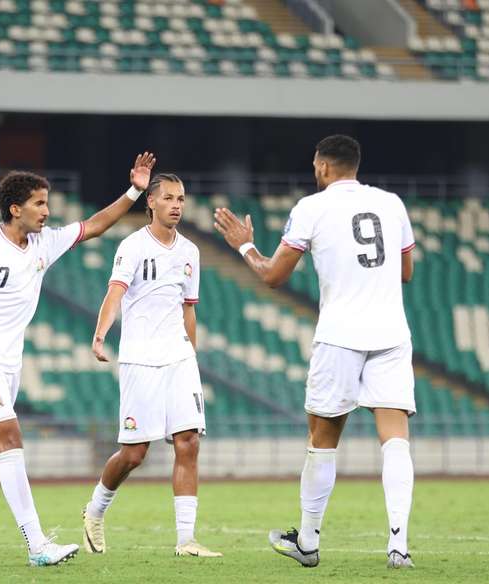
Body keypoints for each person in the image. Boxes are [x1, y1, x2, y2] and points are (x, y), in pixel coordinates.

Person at [0, 153, 157, 567]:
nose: (47, 212)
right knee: (11, 439)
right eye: (39, 203)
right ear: (15, 208)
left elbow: (97, 224)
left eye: (47, 203)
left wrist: (135, 190)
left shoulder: (45, 243)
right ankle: (37, 544)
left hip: (9, 366)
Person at [213, 135, 417, 569]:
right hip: (392, 333)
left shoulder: (312, 208)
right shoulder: (392, 203)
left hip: (340, 334)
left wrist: (244, 246)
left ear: (323, 166)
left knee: (323, 442)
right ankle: (398, 545)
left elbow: (273, 275)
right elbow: (406, 270)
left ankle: (307, 541)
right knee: (395, 440)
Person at [82, 173, 221, 559]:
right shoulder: (132, 246)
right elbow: (115, 292)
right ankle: (94, 511)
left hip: (178, 357)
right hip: (140, 358)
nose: (177, 204)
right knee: (134, 454)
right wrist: (100, 334)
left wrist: (191, 354)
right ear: (152, 203)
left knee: (188, 441)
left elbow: (189, 310)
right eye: (170, 198)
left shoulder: (190, 251)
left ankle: (186, 539)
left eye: (182, 198)